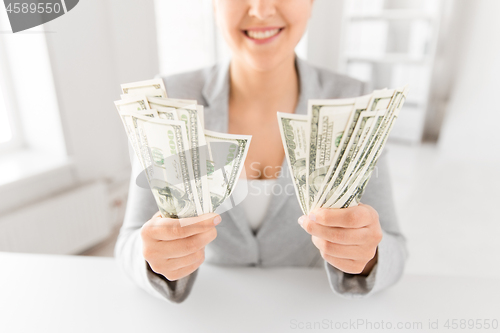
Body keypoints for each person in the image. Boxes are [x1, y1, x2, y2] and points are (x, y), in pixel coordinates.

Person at [115, 0, 407, 303]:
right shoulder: (167, 100)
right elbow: (129, 243)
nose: (261, 9)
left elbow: (395, 250)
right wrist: (153, 258)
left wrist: (369, 256)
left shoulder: (356, 101)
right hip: (212, 309)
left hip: (313, 307)